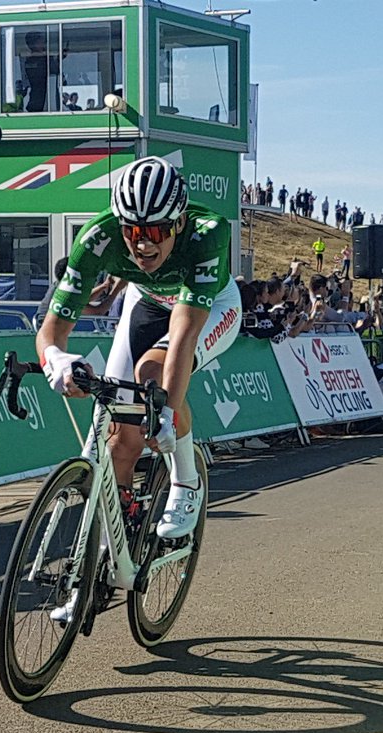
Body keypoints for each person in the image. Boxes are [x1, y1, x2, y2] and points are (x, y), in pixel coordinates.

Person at [36, 156, 240, 560]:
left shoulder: (208, 234)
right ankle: (115, 549)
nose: (143, 243)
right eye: (132, 230)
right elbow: (50, 331)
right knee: (117, 434)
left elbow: (182, 333)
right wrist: (55, 360)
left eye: (156, 231)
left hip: (210, 307)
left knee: (152, 370)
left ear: (178, 223)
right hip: (145, 302)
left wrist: (166, 408)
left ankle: (186, 482)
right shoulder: (98, 237)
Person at [22, 31, 50, 112]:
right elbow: (47, 72)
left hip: (43, 100)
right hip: (38, 102)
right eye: (41, 42)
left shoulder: (38, 59)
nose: (43, 44)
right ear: (33, 44)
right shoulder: (32, 61)